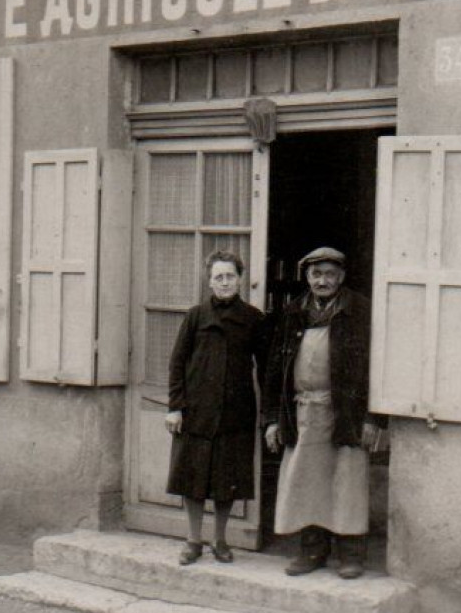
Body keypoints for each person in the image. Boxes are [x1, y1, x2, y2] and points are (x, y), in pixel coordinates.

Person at [262, 247, 387, 579]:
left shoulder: (359, 310)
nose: (323, 280)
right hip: (303, 412)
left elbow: (378, 366)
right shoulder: (292, 312)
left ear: (341, 277)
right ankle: (312, 551)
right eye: (316, 274)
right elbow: (275, 369)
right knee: (308, 481)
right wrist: (272, 418)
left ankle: (351, 555)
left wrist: (374, 418)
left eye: (330, 274)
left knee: (347, 481)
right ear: (307, 277)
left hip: (345, 411)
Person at [165, 251, 267, 566]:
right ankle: (193, 541)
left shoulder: (253, 318)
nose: (224, 282)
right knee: (192, 480)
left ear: (240, 279)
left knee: (227, 482)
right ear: (209, 281)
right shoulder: (195, 317)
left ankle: (220, 540)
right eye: (218, 277)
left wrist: (268, 413)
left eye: (230, 276)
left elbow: (264, 369)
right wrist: (176, 407)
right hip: (196, 411)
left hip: (236, 413)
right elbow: (177, 363)